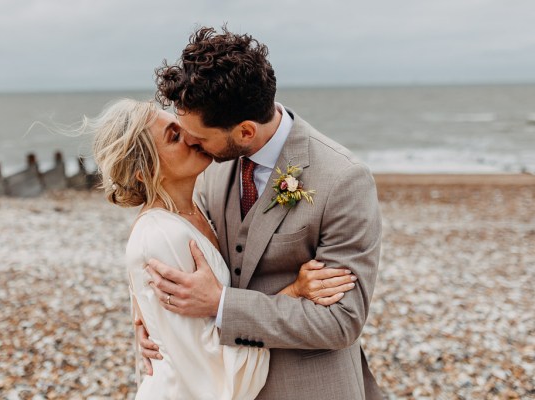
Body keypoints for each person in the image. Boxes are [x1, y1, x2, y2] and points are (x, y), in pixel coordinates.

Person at [141, 26, 384, 399]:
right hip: (227, 381)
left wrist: (221, 304)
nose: (190, 143)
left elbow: (341, 322)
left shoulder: (343, 180)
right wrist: (154, 327)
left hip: (310, 386)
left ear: (245, 132)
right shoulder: (211, 164)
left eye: (199, 138)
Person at [90, 99, 360, 399]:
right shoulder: (163, 235)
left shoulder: (195, 206)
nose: (190, 137)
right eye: (174, 136)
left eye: (180, 126)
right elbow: (214, 368)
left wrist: (147, 314)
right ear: (145, 170)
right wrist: (294, 291)